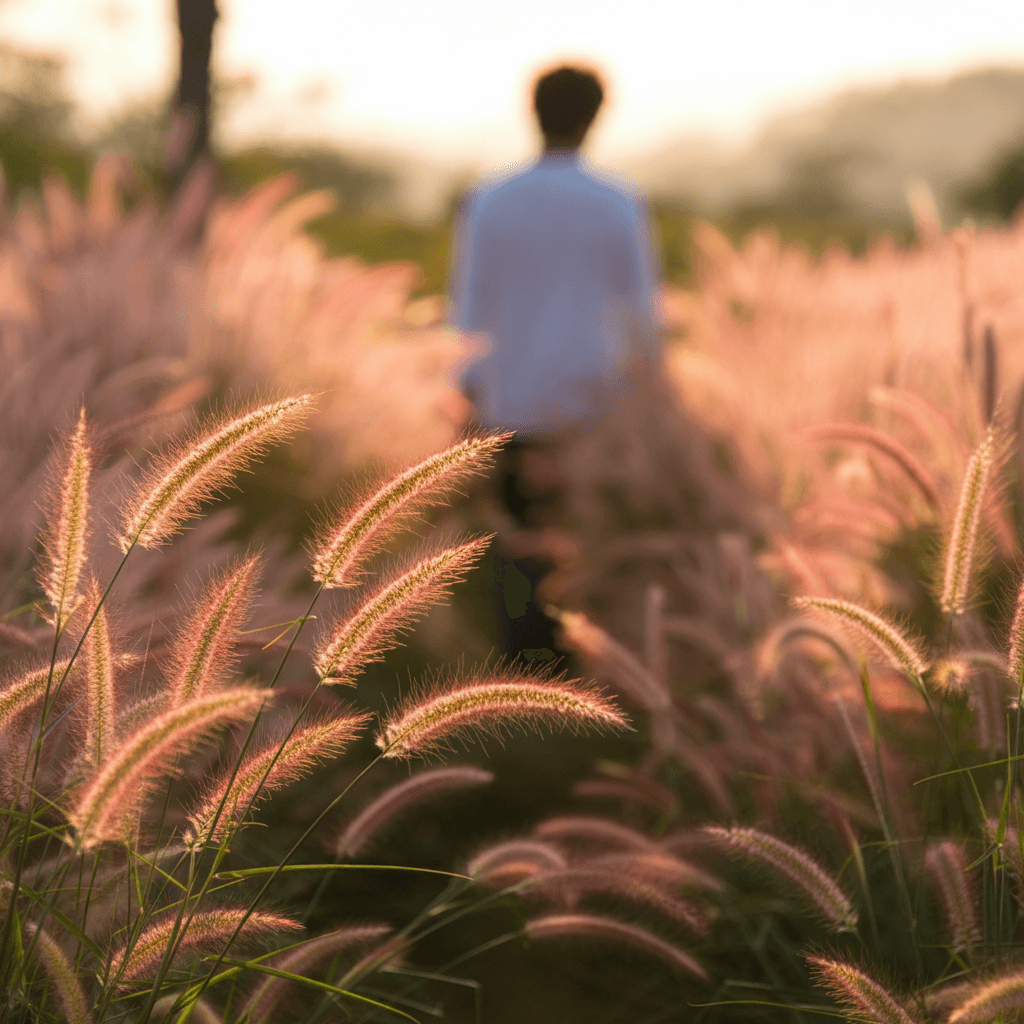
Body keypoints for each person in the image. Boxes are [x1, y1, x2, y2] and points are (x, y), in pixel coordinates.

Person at [450, 63, 660, 661]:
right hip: (594, 402)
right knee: (584, 538)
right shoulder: (619, 204)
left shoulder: (489, 202)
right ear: (595, 117)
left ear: (531, 110)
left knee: (516, 541)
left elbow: (468, 310)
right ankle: (580, 668)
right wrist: (652, 403)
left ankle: (518, 680)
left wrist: (465, 394)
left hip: (508, 399)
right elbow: (642, 315)